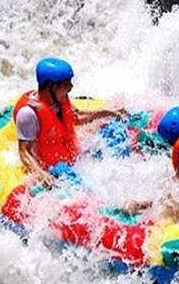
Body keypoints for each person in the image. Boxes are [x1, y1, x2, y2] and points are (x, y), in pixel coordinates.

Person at [13, 56, 123, 186]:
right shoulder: (28, 114)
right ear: (51, 86)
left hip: (73, 157)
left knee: (115, 138)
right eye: (66, 83)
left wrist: (107, 112)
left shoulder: (60, 98)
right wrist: (42, 174)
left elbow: (76, 117)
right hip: (54, 168)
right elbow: (24, 152)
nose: (71, 87)